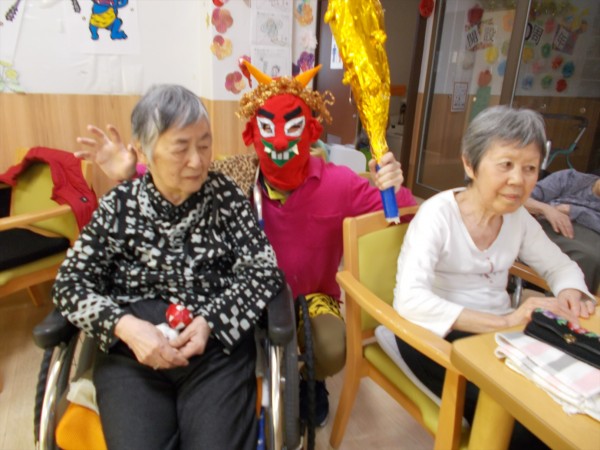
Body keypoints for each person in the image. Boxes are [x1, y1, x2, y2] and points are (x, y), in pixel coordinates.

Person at [74, 62, 417, 427]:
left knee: (330, 346)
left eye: (293, 128)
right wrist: (132, 173)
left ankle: (310, 380)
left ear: (311, 131)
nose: (280, 141)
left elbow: (402, 213)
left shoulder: (341, 184)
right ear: (252, 134)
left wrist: (393, 187)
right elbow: (181, 186)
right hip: (245, 289)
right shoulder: (233, 178)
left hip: (310, 296)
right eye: (268, 129)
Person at [53, 84, 284, 449]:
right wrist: (125, 327)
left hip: (214, 350)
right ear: (144, 150)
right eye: (181, 148)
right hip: (132, 354)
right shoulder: (120, 206)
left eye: (205, 145)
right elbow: (70, 284)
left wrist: (211, 322)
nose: (198, 160)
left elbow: (263, 270)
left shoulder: (225, 197)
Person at [392, 105, 596, 448]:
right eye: (506, 165)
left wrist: (570, 291)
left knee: (564, 403)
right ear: (470, 165)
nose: (519, 180)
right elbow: (410, 301)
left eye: (530, 168)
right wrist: (506, 322)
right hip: (434, 334)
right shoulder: (436, 216)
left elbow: (560, 267)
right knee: (523, 427)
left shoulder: (517, 218)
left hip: (498, 335)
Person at [524, 169, 600, 294]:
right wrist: (546, 209)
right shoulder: (569, 178)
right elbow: (521, 200)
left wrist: (574, 211)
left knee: (590, 256)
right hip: (549, 228)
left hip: (592, 239)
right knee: (587, 257)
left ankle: (568, 302)